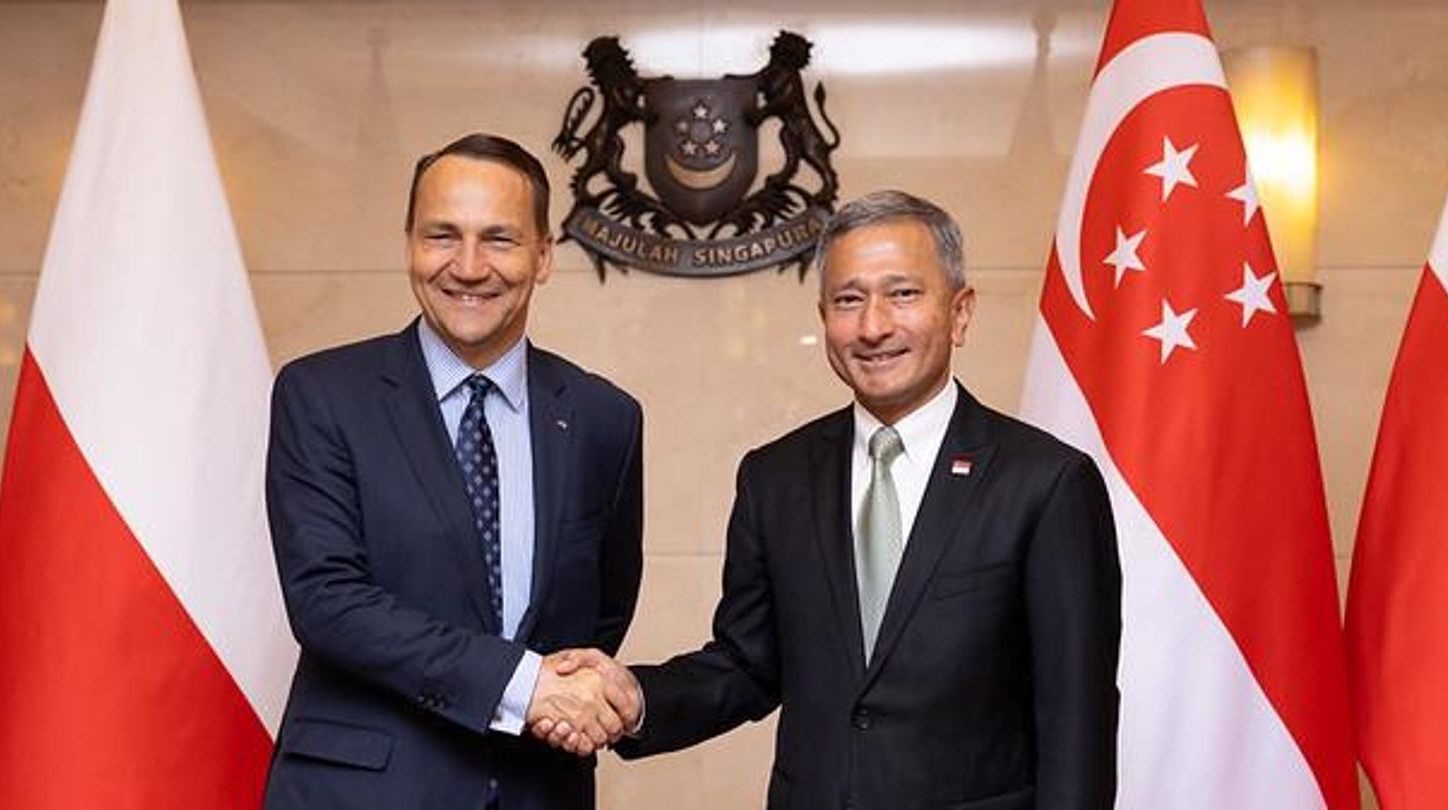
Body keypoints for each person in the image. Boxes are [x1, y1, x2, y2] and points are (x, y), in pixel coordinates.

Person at [543, 190, 1121, 808]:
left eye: (903, 294)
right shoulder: (775, 478)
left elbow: (1076, 720)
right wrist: (635, 699)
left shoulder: (1047, 483)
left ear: (960, 312)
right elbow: (747, 664)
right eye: (849, 300)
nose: (873, 326)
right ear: (824, 317)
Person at [262, 133, 645, 810]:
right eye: (443, 235)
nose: (468, 267)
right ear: (409, 243)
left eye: (499, 239)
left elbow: (602, 608)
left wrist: (566, 694)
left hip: (539, 790)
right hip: (363, 793)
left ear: (544, 255)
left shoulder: (603, 417)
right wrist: (523, 688)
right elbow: (326, 600)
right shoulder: (321, 395)